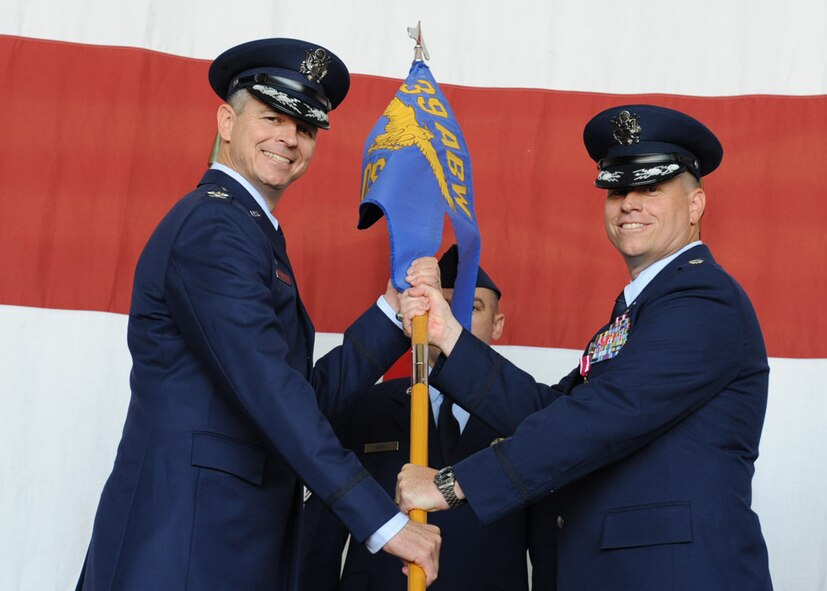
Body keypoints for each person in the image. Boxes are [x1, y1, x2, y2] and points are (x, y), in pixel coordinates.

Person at [75, 38, 440, 591]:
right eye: (272, 117)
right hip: (185, 547)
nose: (289, 139)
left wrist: (393, 312)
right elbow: (271, 390)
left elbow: (295, 392)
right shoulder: (215, 229)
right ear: (226, 120)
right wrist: (380, 520)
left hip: (231, 543)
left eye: (306, 127)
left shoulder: (250, 231)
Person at [395, 104, 773, 590]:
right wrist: (449, 335)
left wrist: (453, 483)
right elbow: (551, 411)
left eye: (650, 188)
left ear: (696, 204)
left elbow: (605, 416)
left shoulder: (704, 299)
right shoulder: (641, 310)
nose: (629, 204)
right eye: (618, 189)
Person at [298, 245, 557, 591]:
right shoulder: (365, 404)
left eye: (472, 306)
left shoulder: (527, 416)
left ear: (498, 325)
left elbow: (547, 544)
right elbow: (321, 535)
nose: (452, 315)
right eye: (443, 304)